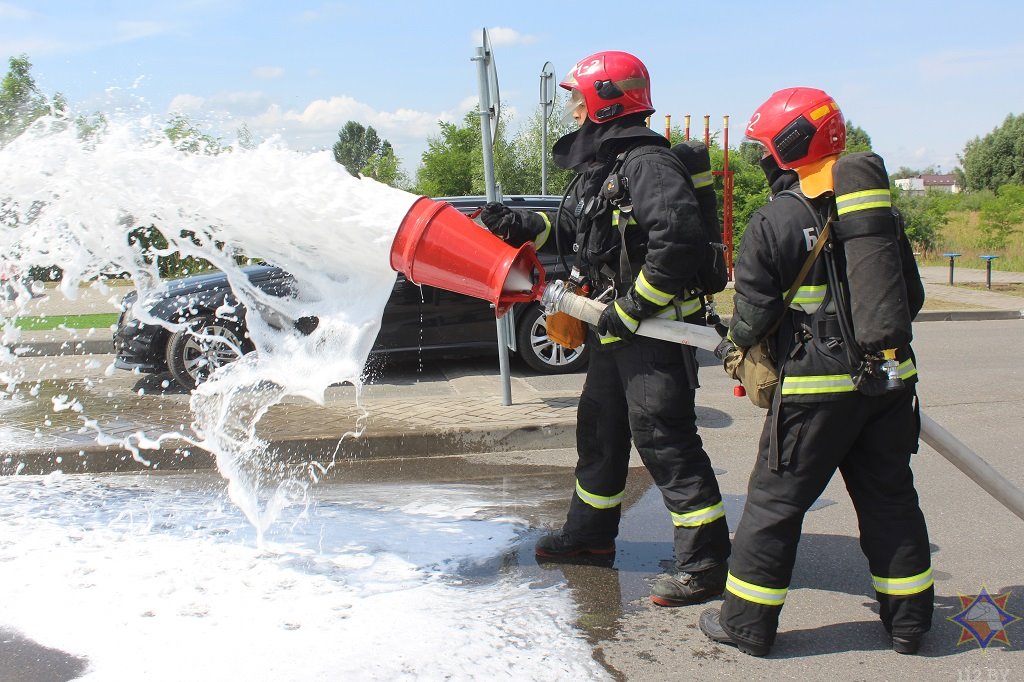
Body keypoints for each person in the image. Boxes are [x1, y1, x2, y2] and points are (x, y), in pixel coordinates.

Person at [479, 50, 730, 606]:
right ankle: (590, 540)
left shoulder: (647, 164)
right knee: (598, 437)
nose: (570, 109)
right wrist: (518, 223)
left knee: (666, 445)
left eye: (577, 98)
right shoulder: (605, 170)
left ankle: (707, 564)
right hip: (616, 339)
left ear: (603, 100)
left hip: (655, 338)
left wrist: (634, 307)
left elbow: (679, 243)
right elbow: (574, 234)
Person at [698, 87, 933, 656]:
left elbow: (751, 317)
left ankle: (746, 626)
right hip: (888, 383)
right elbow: (913, 298)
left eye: (764, 144)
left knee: (774, 506)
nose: (761, 153)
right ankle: (908, 625)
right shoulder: (878, 216)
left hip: (813, 393)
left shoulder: (776, 220)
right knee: (890, 498)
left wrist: (737, 345)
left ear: (788, 146)